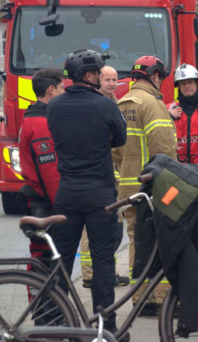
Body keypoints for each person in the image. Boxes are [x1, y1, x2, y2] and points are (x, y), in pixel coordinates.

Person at [47, 50, 128, 338]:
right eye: (98, 72)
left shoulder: (54, 106)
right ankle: (105, 326)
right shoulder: (105, 106)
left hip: (67, 192)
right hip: (100, 195)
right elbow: (120, 138)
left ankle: (54, 321)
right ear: (90, 75)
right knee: (103, 259)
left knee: (62, 260)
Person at [113, 55, 177, 317]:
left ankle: (140, 298)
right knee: (161, 242)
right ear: (155, 76)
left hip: (128, 190)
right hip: (154, 188)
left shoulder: (120, 104)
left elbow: (115, 152)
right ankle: (161, 298)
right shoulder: (152, 103)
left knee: (136, 244)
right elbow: (164, 148)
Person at [80, 65, 130, 289]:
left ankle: (106, 271)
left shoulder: (113, 103)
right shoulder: (96, 105)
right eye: (107, 79)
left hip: (113, 174)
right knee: (96, 227)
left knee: (112, 227)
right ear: (97, 80)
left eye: (115, 79)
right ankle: (92, 274)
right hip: (99, 173)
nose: (111, 83)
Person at [18, 69, 64, 273]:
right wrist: (61, 205)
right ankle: (42, 304)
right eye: (62, 88)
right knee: (44, 259)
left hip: (39, 199)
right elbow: (50, 172)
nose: (65, 92)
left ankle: (43, 302)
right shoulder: (40, 123)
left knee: (42, 256)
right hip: (45, 202)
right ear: (51, 90)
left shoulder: (35, 117)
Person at [168, 63, 198, 163]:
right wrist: (169, 117)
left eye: (190, 82)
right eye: (183, 83)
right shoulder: (169, 109)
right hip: (178, 169)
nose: (187, 86)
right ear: (178, 87)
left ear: (197, 83)